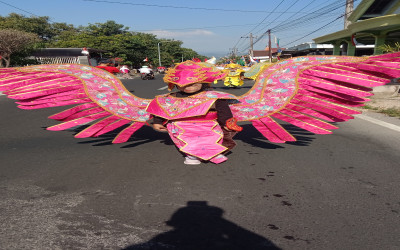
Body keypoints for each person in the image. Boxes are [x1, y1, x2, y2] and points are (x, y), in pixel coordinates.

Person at [146, 60, 242, 165]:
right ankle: (192, 155)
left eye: (193, 84)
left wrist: (227, 123)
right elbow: (161, 109)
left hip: (208, 125)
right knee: (187, 140)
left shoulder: (214, 96)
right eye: (183, 84)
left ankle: (214, 152)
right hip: (181, 126)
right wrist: (157, 122)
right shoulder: (168, 98)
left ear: (203, 82)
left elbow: (223, 110)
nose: (188, 87)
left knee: (211, 138)